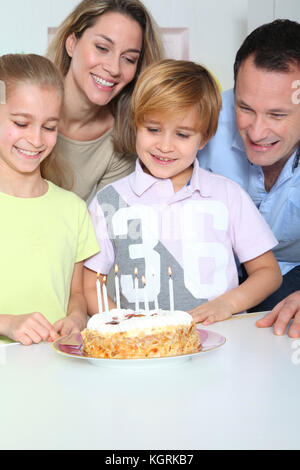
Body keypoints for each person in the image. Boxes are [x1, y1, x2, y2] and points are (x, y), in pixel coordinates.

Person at [83, 59, 282, 325]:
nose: (165, 146)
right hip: (141, 349)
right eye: (153, 129)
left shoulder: (228, 196)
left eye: (182, 135)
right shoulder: (108, 200)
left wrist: (228, 304)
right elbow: (89, 284)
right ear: (135, 125)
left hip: (223, 345)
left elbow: (268, 272)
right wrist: (125, 326)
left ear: (205, 137)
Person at [197, 19, 300, 337]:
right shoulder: (202, 119)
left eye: (277, 115)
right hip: (213, 270)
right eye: (245, 107)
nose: (256, 131)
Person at [0, 54, 99, 346]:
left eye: (49, 126)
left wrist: (77, 318)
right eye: (21, 122)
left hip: (57, 372)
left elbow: (76, 295)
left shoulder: (73, 210)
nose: (36, 139)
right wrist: (8, 322)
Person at [47, 0, 163, 203]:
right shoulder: (15, 103)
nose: (114, 68)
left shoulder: (121, 140)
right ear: (71, 43)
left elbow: (108, 223)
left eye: (128, 59)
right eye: (102, 48)